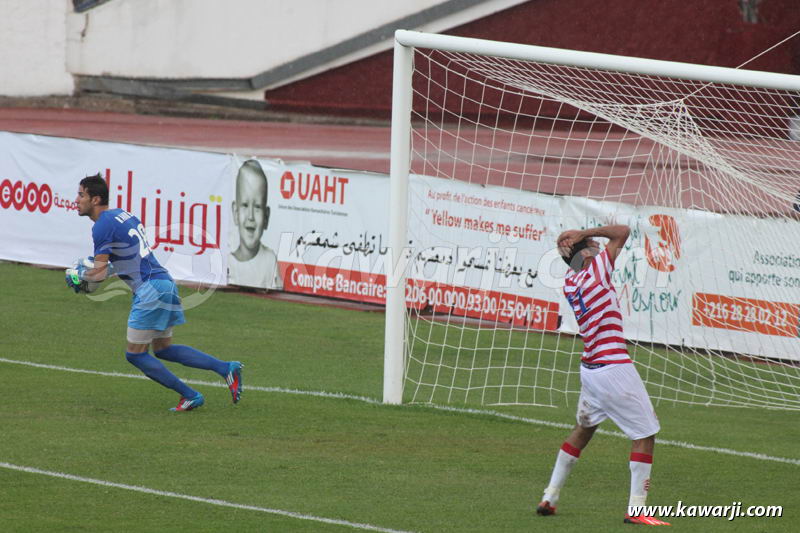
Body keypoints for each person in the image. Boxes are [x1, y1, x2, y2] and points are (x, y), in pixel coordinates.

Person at [68, 173, 243, 412]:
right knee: (164, 349)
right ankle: (226, 368)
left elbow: (98, 274)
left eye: (81, 195)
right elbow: (124, 261)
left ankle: (190, 395)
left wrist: (78, 277)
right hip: (164, 283)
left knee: (135, 355)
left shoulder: (102, 226)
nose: (76, 200)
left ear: (95, 199)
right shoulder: (123, 215)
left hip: (150, 290)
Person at [536, 225, 669, 526]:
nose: (599, 246)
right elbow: (622, 232)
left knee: (584, 430)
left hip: (591, 369)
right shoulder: (595, 269)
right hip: (613, 367)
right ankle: (637, 509)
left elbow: (580, 253)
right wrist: (584, 230)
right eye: (593, 245)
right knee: (645, 434)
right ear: (584, 253)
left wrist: (570, 244)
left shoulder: (571, 281)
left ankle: (550, 496)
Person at [229, 159, 282, 290]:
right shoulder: (227, 263)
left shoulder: (270, 260)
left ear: (266, 217)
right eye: (245, 205)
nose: (251, 216)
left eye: (257, 207)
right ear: (235, 212)